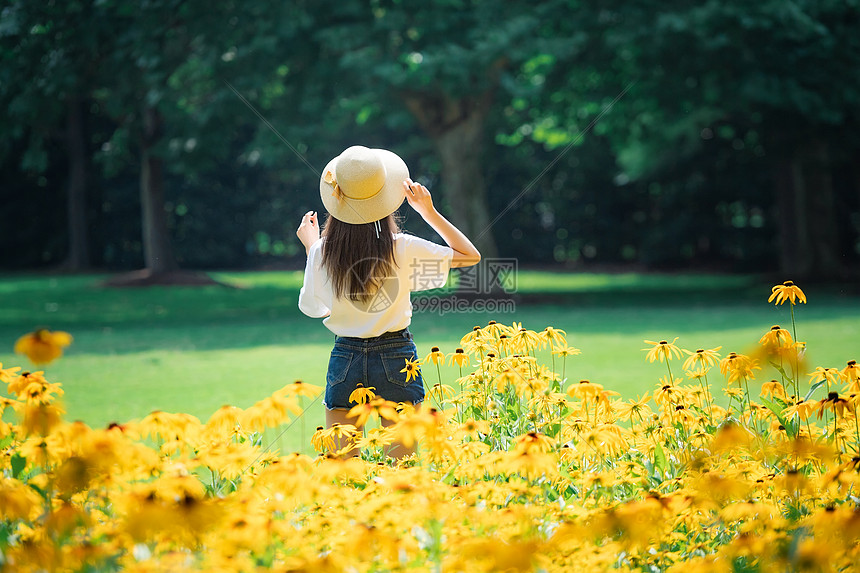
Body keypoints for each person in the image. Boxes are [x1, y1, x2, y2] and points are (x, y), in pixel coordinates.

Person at [296, 145, 481, 458]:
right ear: (384, 198)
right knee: (402, 475)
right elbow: (469, 256)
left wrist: (313, 248)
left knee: (342, 471)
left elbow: (317, 308)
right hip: (397, 357)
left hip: (345, 358)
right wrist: (428, 212)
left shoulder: (321, 252)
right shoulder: (402, 247)